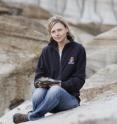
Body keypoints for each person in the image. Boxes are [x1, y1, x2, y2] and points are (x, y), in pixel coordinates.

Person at [13, 15, 86, 123]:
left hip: (70, 99)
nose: (57, 34)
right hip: (50, 102)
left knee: (55, 89)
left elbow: (80, 79)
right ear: (50, 34)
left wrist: (61, 84)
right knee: (38, 92)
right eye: (53, 31)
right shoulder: (46, 51)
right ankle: (38, 113)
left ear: (66, 29)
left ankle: (32, 116)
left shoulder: (78, 49)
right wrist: (42, 83)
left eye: (60, 30)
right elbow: (38, 76)